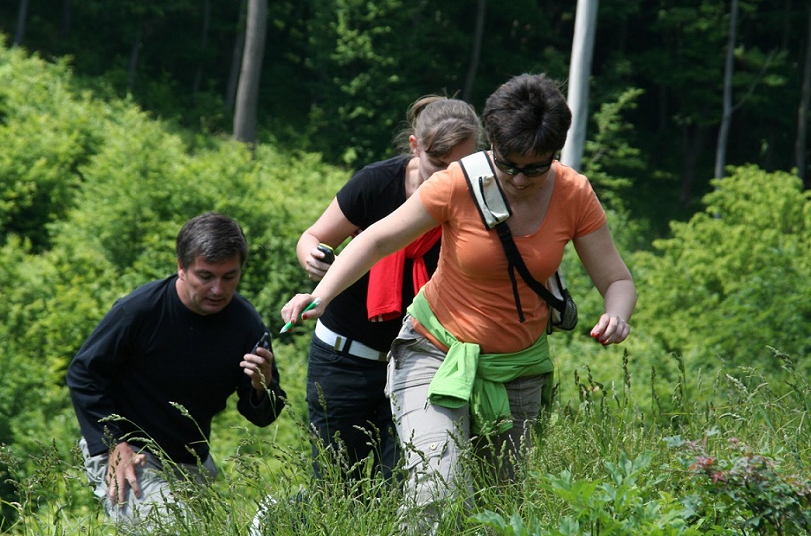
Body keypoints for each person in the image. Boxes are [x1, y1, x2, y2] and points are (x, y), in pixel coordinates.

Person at [281, 74, 636, 528]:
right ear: (492, 146)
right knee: (436, 493)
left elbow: (617, 279)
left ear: (555, 154)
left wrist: (617, 314)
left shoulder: (574, 193)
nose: (520, 178)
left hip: (518, 370)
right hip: (434, 351)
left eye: (536, 167)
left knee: (497, 512)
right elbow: (375, 240)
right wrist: (322, 294)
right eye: (508, 164)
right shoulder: (458, 183)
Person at [295, 95, 482, 486]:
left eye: (459, 167)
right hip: (344, 359)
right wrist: (313, 258)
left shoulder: (480, 200)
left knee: (407, 487)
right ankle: (276, 520)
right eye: (438, 165)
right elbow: (313, 236)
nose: (448, 178)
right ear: (415, 148)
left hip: (423, 362)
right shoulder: (375, 183)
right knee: (337, 489)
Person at [67, 211, 287, 528]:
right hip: (128, 450)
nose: (218, 289)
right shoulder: (139, 310)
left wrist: (261, 387)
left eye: (229, 276)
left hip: (190, 462)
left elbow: (263, 416)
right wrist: (114, 445)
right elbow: (84, 374)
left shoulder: (245, 325)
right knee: (172, 528)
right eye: (206, 276)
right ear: (181, 268)